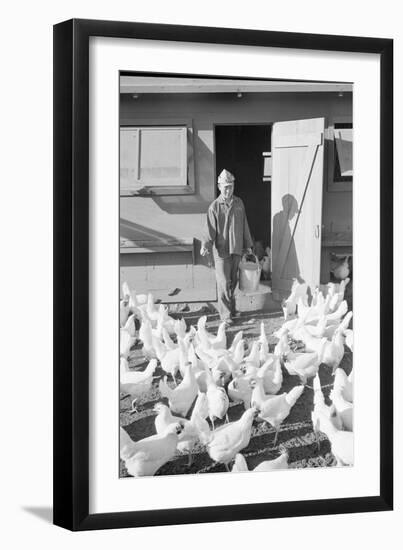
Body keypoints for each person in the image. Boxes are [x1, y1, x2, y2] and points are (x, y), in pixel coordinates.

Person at [200, 169, 254, 324]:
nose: (229, 190)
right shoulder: (214, 207)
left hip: (236, 248)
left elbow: (244, 225)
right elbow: (209, 229)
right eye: (226, 187)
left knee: (233, 281)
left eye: (231, 186)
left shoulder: (239, 203)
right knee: (224, 282)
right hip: (222, 251)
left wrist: (248, 245)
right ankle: (225, 315)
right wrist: (205, 244)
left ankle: (232, 309)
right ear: (219, 186)